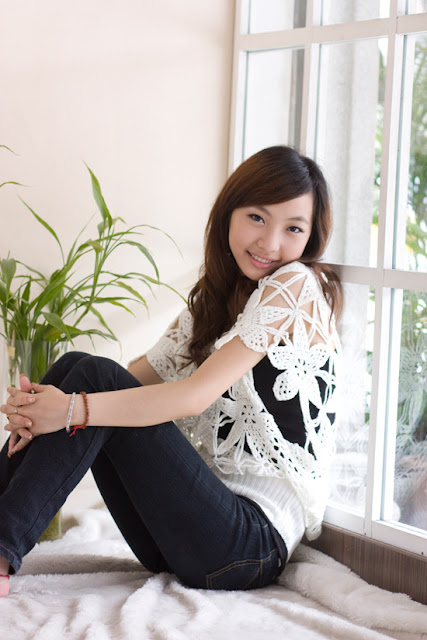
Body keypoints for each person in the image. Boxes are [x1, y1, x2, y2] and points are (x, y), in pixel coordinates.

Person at [0, 145, 342, 598]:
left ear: (310, 238)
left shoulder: (294, 284)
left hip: (248, 546)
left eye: (293, 228)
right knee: (76, 367)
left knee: (90, 382)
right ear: (229, 213)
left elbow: (194, 396)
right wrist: (44, 407)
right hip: (183, 537)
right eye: (257, 218)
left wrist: (69, 410)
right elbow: (133, 376)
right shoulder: (219, 298)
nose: (270, 243)